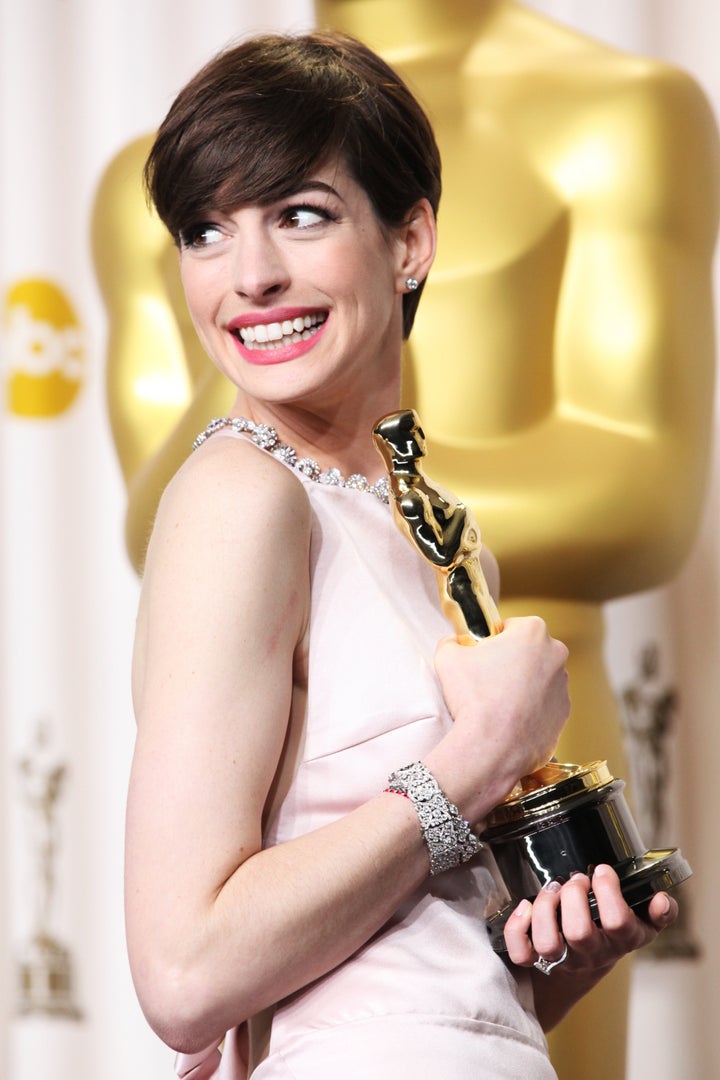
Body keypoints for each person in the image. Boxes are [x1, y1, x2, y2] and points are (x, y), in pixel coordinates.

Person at [124, 32, 679, 1080]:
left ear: (410, 238)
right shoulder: (240, 494)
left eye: (300, 215)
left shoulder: (433, 524)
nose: (249, 277)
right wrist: (476, 757)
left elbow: (403, 986)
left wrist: (561, 960)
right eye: (206, 230)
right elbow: (184, 974)